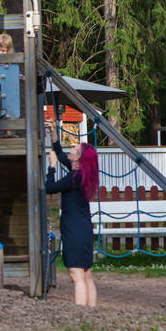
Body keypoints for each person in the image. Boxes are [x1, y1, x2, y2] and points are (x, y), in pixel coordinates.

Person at [44, 119, 99, 306]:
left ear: (77, 158)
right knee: (86, 273)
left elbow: (50, 188)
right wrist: (53, 131)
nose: (71, 148)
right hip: (83, 229)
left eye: (74, 149)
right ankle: (92, 312)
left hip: (74, 231)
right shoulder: (82, 174)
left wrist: (51, 167)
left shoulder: (74, 177)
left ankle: (80, 313)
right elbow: (60, 153)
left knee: (76, 275)